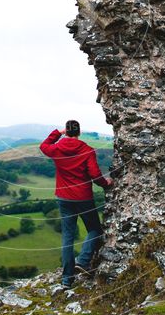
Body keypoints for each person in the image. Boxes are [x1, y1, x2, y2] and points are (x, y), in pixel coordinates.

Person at [39, 120, 113, 287]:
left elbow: (44, 146)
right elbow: (95, 174)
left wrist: (58, 132)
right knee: (95, 229)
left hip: (63, 198)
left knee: (67, 238)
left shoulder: (57, 149)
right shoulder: (87, 150)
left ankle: (67, 280)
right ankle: (83, 260)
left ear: (67, 131)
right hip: (83, 197)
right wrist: (105, 183)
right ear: (79, 132)